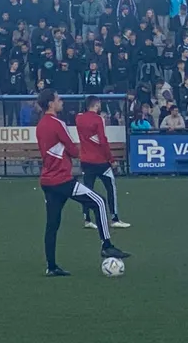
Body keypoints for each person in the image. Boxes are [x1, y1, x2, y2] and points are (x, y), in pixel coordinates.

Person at [36, 89, 129, 277]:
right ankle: (106, 245)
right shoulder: (57, 123)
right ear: (51, 103)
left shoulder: (40, 125)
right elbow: (73, 150)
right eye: (58, 98)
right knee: (99, 202)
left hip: (47, 180)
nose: (61, 101)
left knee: (52, 224)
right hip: (62, 179)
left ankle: (51, 266)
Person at [75, 96, 129, 230]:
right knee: (110, 188)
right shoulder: (98, 119)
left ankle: (87, 219)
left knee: (87, 190)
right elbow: (103, 141)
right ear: (97, 105)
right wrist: (111, 159)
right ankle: (114, 218)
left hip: (85, 160)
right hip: (100, 161)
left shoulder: (79, 118)